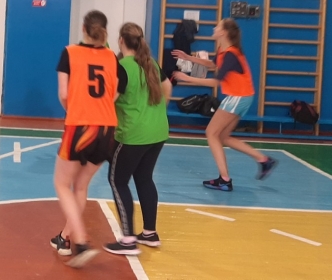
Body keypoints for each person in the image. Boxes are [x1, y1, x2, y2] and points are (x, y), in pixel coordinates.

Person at [51, 10, 127, 269]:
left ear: (83, 28)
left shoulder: (70, 53)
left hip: (81, 126)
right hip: (107, 128)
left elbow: (64, 94)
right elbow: (115, 92)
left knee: (62, 184)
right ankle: (65, 238)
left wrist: (74, 111)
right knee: (81, 186)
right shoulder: (111, 56)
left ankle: (81, 242)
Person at [172, 18, 278, 191]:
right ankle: (264, 160)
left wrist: (188, 78)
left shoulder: (231, 54)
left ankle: (224, 179)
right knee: (222, 136)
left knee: (211, 133)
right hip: (242, 97)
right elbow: (212, 64)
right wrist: (188, 57)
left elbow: (216, 82)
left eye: (218, 26)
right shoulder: (224, 51)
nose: (215, 28)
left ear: (223, 32)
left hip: (238, 97)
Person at [104, 23, 171, 255]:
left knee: (117, 180)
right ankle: (150, 233)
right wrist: (157, 112)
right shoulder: (150, 63)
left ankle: (128, 239)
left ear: (121, 41)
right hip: (158, 131)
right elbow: (168, 87)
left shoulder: (122, 67)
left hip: (133, 134)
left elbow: (110, 99)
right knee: (144, 178)